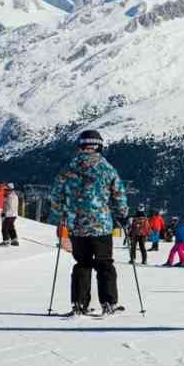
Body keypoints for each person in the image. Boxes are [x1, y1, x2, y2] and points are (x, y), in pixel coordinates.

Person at [47, 130, 129, 315]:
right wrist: (122, 215)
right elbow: (118, 194)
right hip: (101, 226)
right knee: (104, 264)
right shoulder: (107, 168)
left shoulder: (69, 168)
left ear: (81, 145)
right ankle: (108, 303)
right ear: (99, 145)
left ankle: (79, 304)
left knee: (82, 263)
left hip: (77, 226)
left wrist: (61, 215)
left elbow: (56, 195)